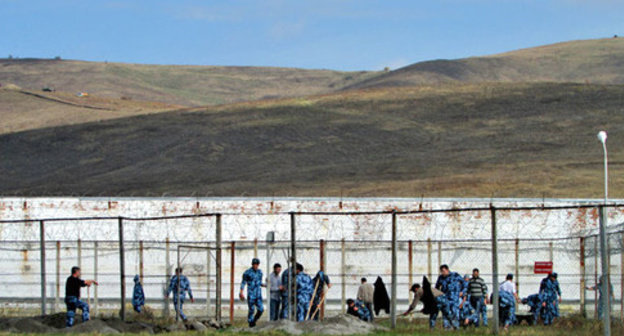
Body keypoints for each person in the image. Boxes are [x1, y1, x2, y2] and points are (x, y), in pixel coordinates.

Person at [433, 264, 464, 329]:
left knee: (455, 313)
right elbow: (437, 288)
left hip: (454, 298)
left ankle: (456, 327)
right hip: (445, 298)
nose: (442, 273)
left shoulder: (455, 275)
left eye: (443, 271)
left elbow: (465, 284)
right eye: (441, 271)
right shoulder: (441, 278)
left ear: (447, 270)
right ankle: (447, 328)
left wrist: (462, 292)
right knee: (446, 313)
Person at [240, 258, 265, 327]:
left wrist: (265, 285)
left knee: (261, 309)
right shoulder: (247, 273)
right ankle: (250, 324)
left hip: (258, 295)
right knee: (251, 310)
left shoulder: (260, 272)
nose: (256, 266)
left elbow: (259, 282)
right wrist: (241, 292)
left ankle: (254, 320)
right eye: (254, 264)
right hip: (251, 294)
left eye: (257, 264)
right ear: (252, 264)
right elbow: (243, 283)